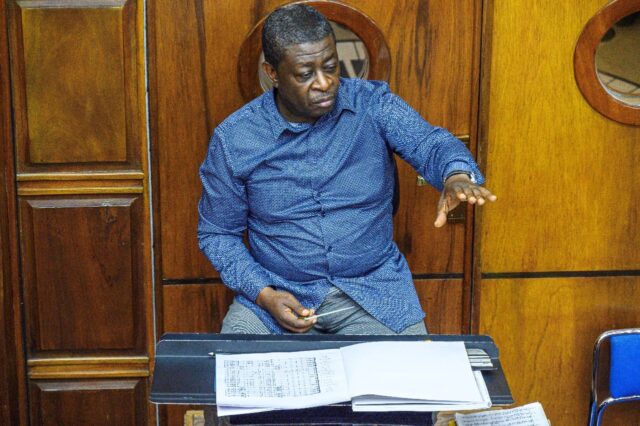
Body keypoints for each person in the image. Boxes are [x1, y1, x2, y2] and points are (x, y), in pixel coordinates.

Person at [197, 4, 496, 335]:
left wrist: (455, 175)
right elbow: (217, 233)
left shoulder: (373, 105)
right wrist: (264, 295)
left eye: (330, 67)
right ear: (272, 72)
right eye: (305, 74)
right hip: (274, 298)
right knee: (238, 375)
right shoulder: (235, 138)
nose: (324, 83)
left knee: (410, 383)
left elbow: (430, 142)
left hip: (376, 293)